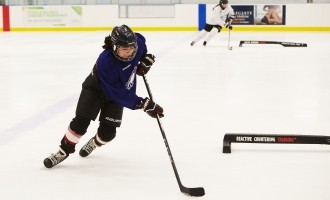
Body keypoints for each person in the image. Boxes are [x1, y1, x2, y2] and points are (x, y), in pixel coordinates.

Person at [43, 24, 164, 168]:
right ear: (114, 47)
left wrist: (144, 61)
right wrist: (143, 104)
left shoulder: (137, 43)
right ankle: (63, 151)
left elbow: (141, 43)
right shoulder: (106, 62)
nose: (130, 52)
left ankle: (94, 142)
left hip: (118, 92)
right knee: (80, 123)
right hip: (96, 90)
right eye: (125, 49)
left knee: (108, 134)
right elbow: (118, 93)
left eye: (132, 48)